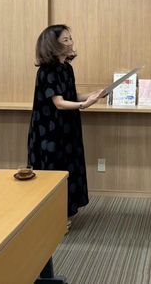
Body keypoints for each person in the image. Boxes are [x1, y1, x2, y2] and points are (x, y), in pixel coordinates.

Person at [27, 24, 103, 220]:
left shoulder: (66, 68)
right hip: (50, 131)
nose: (71, 43)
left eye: (70, 38)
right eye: (65, 40)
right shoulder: (46, 71)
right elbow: (59, 103)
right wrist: (84, 105)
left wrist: (94, 95)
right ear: (53, 45)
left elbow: (71, 95)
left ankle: (65, 214)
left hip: (68, 127)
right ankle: (52, 218)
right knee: (54, 171)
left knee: (69, 168)